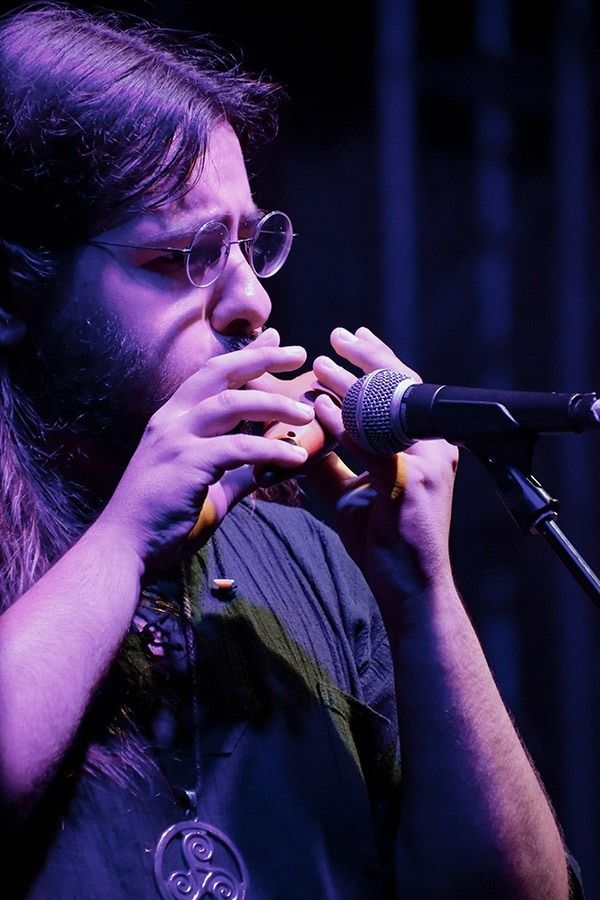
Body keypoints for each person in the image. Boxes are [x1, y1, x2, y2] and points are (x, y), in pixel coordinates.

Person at [0, 4, 582, 898]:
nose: (252, 305)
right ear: (14, 287)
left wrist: (420, 589)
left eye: (247, 245)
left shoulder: (311, 553)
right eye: (180, 258)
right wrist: (124, 539)